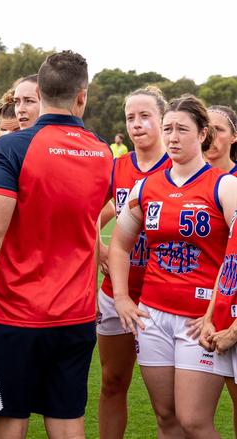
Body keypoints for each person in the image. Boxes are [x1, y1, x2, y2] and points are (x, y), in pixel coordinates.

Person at [0, 51, 113, 438]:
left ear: (40, 93)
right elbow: (91, 218)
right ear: (82, 96)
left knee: (11, 419)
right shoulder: (103, 152)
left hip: (17, 313)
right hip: (76, 313)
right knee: (67, 418)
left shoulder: (13, 148)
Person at [109, 95, 237, 438]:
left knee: (194, 420)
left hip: (201, 320)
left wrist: (219, 313)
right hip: (152, 317)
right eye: (168, 129)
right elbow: (120, 244)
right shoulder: (146, 186)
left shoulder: (224, 185)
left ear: (202, 133)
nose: (173, 137)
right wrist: (121, 297)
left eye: (182, 129)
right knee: (166, 418)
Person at [96, 86, 171, 439]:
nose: (137, 125)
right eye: (130, 118)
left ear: (162, 120)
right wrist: (99, 249)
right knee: (112, 382)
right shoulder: (117, 167)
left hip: (164, 297)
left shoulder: (178, 166)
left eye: (145, 117)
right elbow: (88, 215)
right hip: (116, 292)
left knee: (168, 403)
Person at [204, 105, 237, 174]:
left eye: (218, 129)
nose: (210, 135)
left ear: (234, 136)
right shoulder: (187, 175)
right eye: (206, 129)